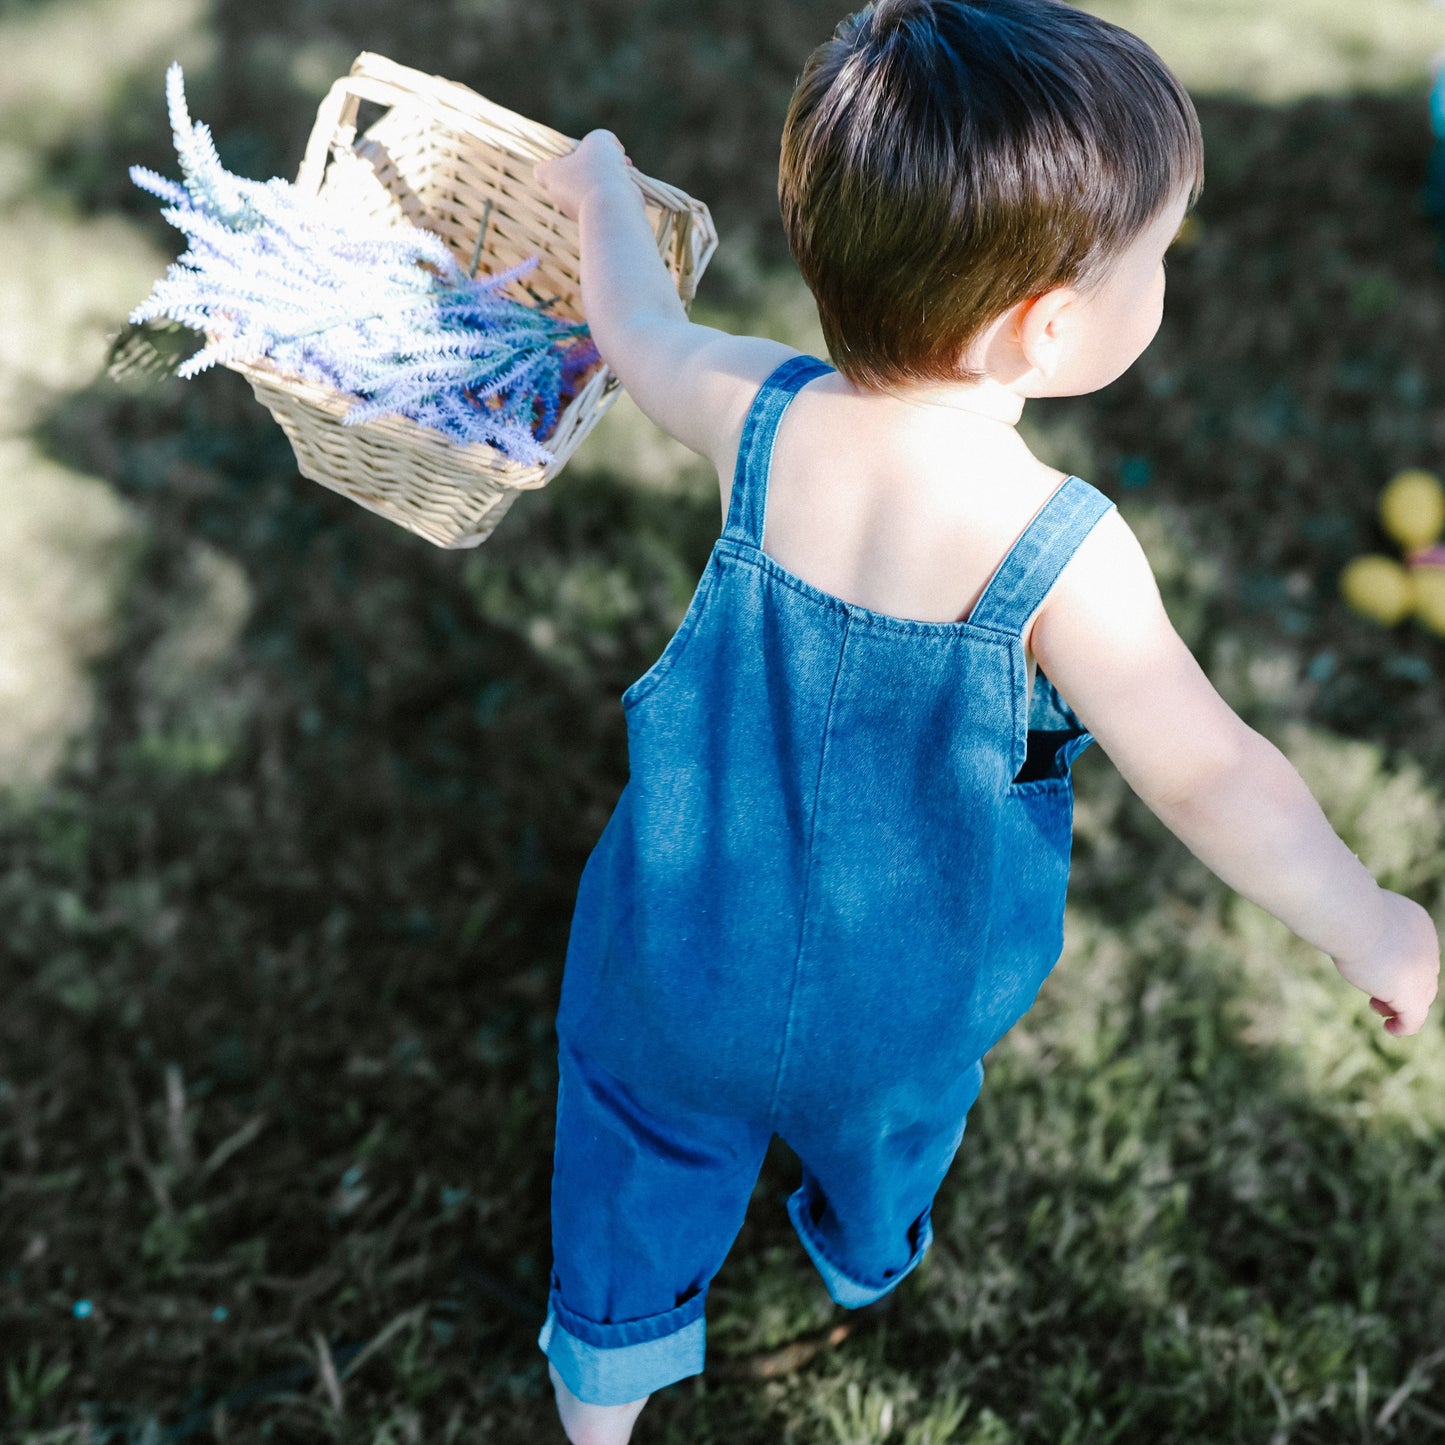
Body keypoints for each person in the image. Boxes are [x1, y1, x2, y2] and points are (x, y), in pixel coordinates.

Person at [531, 2, 1441, 1439]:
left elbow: (633, 324)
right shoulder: (1059, 546)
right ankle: (861, 1239)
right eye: (1158, 255)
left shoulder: (754, 411)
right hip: (901, 999)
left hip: (673, 943)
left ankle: (603, 1389)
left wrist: (594, 188)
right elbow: (1208, 773)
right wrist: (1364, 918)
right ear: (1052, 325)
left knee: (635, 1150)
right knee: (887, 1121)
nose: (1164, 278)